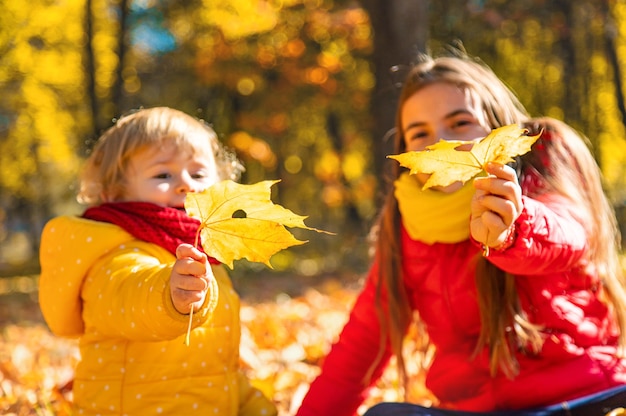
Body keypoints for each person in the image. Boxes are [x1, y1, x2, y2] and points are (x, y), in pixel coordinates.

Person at [295, 52, 626, 416]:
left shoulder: (541, 165)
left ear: (500, 130)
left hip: (585, 398)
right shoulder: (409, 226)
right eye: (419, 133)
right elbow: (361, 346)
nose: (442, 143)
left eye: (460, 123)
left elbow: (571, 235)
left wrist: (512, 228)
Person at [39, 107, 277, 415]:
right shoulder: (115, 253)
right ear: (115, 191)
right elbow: (130, 294)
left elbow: (218, 370)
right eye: (163, 174)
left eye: (199, 173)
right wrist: (169, 293)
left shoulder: (207, 257)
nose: (186, 185)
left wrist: (252, 406)